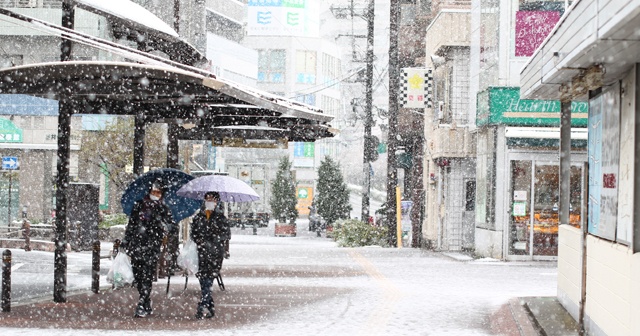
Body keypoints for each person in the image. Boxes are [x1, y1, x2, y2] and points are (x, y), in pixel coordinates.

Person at [121, 179, 174, 318]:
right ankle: (145, 299)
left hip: (152, 245)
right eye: (153, 191)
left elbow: (171, 227)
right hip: (137, 245)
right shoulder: (139, 206)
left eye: (158, 192)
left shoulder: (163, 208)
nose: (155, 194)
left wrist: (162, 224)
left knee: (147, 274)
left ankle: (142, 302)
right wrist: (126, 240)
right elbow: (131, 224)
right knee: (138, 275)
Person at [190, 191, 230, 319]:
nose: (209, 201)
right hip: (201, 253)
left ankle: (202, 306)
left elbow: (226, 235)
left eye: (212, 199)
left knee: (209, 279)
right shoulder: (199, 217)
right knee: (203, 280)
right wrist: (200, 240)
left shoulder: (221, 218)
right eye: (207, 199)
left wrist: (214, 239)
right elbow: (193, 234)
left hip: (215, 254)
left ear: (217, 201)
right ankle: (210, 305)